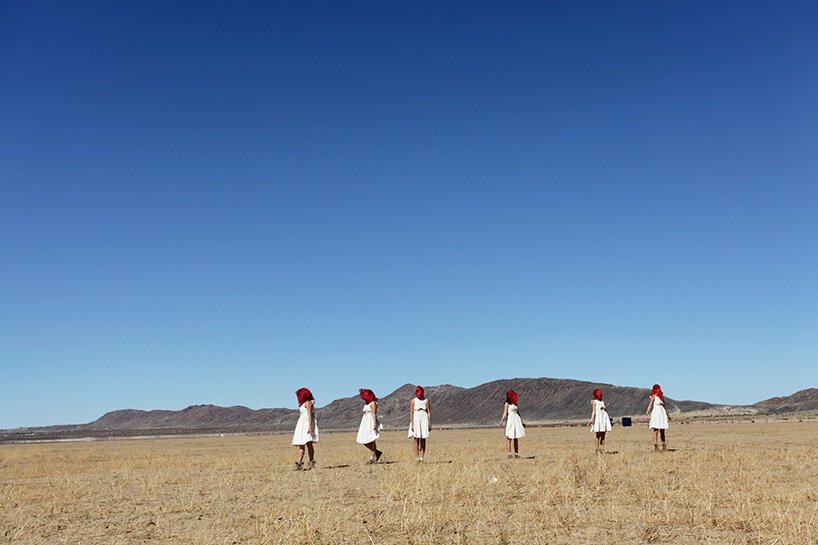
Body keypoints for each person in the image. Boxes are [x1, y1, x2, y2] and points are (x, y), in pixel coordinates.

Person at [291, 387, 318, 470]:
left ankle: (311, 461)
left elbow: (310, 415)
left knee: (309, 444)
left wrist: (310, 427)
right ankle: (299, 463)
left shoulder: (308, 403)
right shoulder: (304, 403)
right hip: (302, 425)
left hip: (306, 425)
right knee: (301, 444)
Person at [356, 388, 383, 463]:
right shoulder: (366, 404)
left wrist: (374, 424)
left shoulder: (373, 403)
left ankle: (372, 457)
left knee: (371, 439)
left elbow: (374, 414)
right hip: (364, 423)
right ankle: (376, 452)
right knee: (364, 440)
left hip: (370, 422)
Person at [498, 389, 525, 458]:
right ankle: (509, 454)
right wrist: (501, 421)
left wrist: (521, 421)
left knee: (516, 438)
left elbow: (518, 412)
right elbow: (505, 413)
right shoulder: (507, 403)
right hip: (510, 421)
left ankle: (516, 453)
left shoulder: (515, 404)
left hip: (516, 420)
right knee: (509, 438)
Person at [408, 385, 431, 462]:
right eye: (418, 392)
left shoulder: (426, 401)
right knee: (416, 439)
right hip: (416, 418)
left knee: (423, 439)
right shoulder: (413, 401)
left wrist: (430, 423)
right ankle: (417, 457)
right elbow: (411, 412)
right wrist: (412, 424)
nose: (419, 394)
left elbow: (429, 412)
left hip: (424, 418)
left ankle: (422, 457)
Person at [645, 384, 671, 451]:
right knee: (655, 430)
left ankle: (664, 445)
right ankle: (656, 446)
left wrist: (668, 415)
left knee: (662, 430)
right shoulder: (653, 396)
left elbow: (664, 407)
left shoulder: (661, 397)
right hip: (656, 413)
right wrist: (646, 414)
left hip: (661, 413)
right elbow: (650, 405)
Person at [587, 388, 611, 454]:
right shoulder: (594, 402)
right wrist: (591, 420)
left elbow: (605, 410)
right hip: (598, 419)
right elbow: (594, 411)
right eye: (599, 394)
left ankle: (602, 449)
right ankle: (597, 450)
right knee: (598, 436)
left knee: (603, 436)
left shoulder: (602, 402)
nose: (600, 395)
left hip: (604, 418)